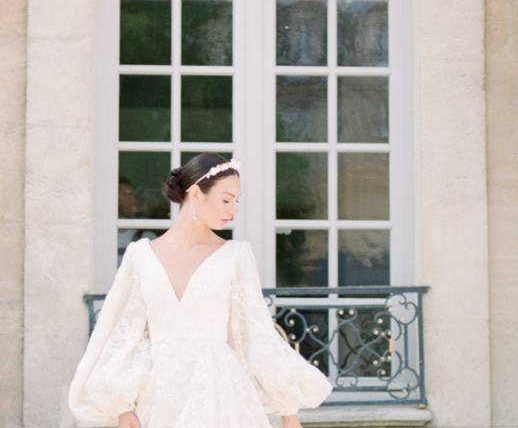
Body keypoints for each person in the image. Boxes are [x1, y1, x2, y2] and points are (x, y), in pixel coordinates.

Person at [68, 153, 333, 427]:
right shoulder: (141, 256)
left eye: (235, 202)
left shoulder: (235, 256)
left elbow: (257, 335)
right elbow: (125, 335)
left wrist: (289, 412)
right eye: (226, 199)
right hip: (158, 397)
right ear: (196, 194)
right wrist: (122, 408)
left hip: (220, 396)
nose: (232, 211)